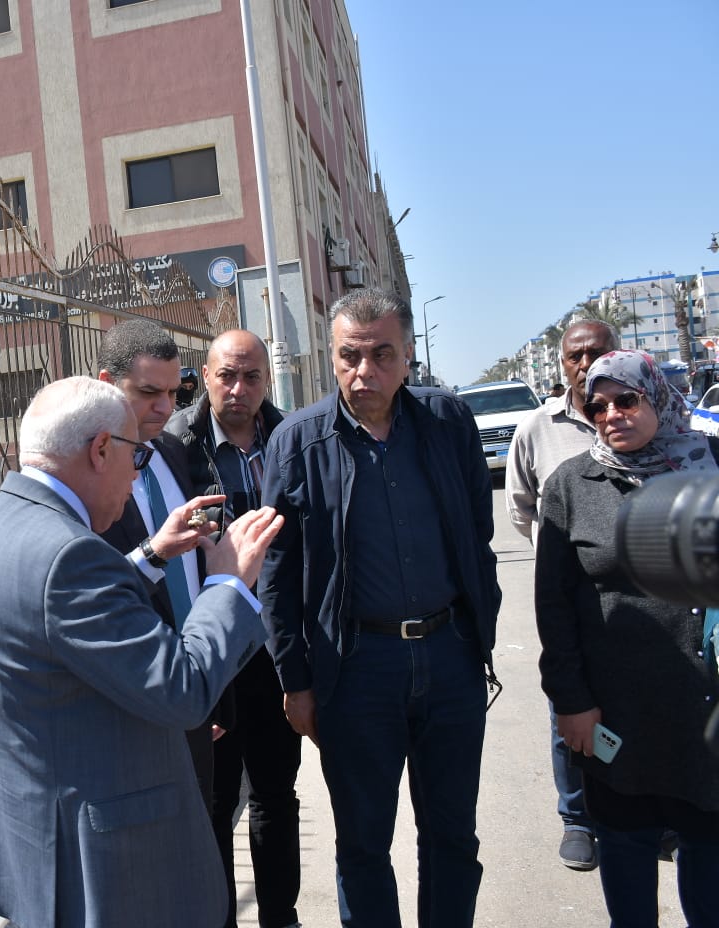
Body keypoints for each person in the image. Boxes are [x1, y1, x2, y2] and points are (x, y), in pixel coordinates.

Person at [0, 376, 284, 928]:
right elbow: (183, 690)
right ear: (101, 449)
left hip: (40, 847)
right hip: (107, 871)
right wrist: (228, 583)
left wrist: (151, 554)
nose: (136, 476)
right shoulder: (69, 556)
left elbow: (63, 625)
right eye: (137, 456)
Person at [260, 288, 501, 928]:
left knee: (452, 836)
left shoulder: (447, 422)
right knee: (364, 843)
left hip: (449, 660)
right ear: (331, 357)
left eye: (382, 355)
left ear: (407, 355)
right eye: (350, 356)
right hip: (356, 670)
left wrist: (478, 635)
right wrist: (296, 682)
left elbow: (477, 536)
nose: (365, 371)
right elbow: (278, 576)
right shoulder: (298, 441)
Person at [535, 349, 719, 927]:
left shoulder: (710, 465)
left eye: (627, 399)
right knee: (626, 847)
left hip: (704, 708)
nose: (611, 414)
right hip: (617, 711)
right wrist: (571, 702)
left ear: (658, 397)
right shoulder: (573, 484)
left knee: (708, 854)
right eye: (598, 406)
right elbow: (554, 607)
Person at [166, 329, 301, 928]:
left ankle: (281, 916)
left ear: (267, 379)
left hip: (276, 650)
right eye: (227, 375)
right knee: (215, 803)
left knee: (276, 793)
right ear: (206, 376)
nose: (238, 389)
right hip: (211, 654)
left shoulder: (292, 438)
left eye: (251, 377)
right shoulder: (176, 447)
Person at [95, 320, 228, 809]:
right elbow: (92, 587)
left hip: (194, 679)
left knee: (206, 821)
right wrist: (154, 551)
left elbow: (190, 575)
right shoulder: (85, 471)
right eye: (149, 393)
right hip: (134, 694)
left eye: (174, 393)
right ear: (107, 384)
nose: (166, 408)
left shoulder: (172, 448)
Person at [506, 319, 619, 870]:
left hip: (643, 599)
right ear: (562, 363)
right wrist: (559, 557)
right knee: (569, 706)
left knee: (643, 704)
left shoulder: (636, 413)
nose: (586, 363)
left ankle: (656, 812)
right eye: (575, 355)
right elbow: (521, 506)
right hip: (570, 596)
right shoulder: (537, 429)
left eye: (597, 352)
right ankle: (577, 818)